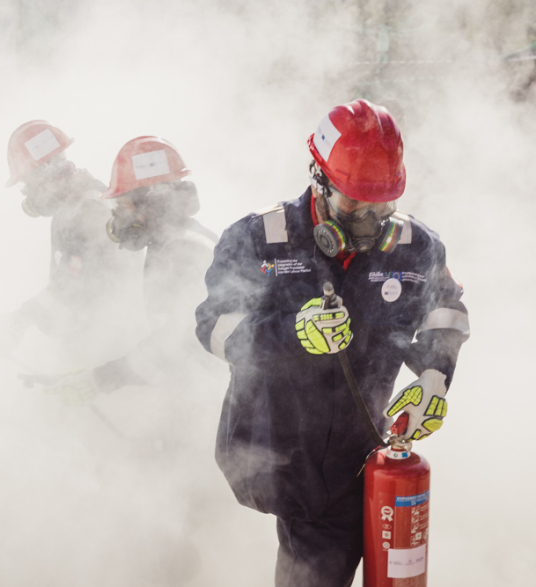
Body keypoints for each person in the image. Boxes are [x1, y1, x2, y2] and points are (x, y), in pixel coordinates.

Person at [194, 100, 469, 586]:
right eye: (352, 204)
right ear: (317, 179)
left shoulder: (415, 246)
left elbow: (445, 314)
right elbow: (211, 327)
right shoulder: (260, 241)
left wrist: (433, 376)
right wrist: (291, 333)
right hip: (288, 460)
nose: (367, 221)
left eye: (380, 204)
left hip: (370, 455)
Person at [45, 136, 218, 403]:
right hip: (193, 390)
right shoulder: (167, 244)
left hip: (211, 397)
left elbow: (179, 340)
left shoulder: (186, 251)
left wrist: (99, 379)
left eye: (123, 206)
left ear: (154, 203)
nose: (116, 221)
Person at [0, 120, 140, 362]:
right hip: (90, 341)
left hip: (109, 346)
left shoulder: (91, 208)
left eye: (27, 183)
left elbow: (81, 288)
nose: (27, 194)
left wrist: (22, 320)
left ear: (46, 171)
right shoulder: (71, 205)